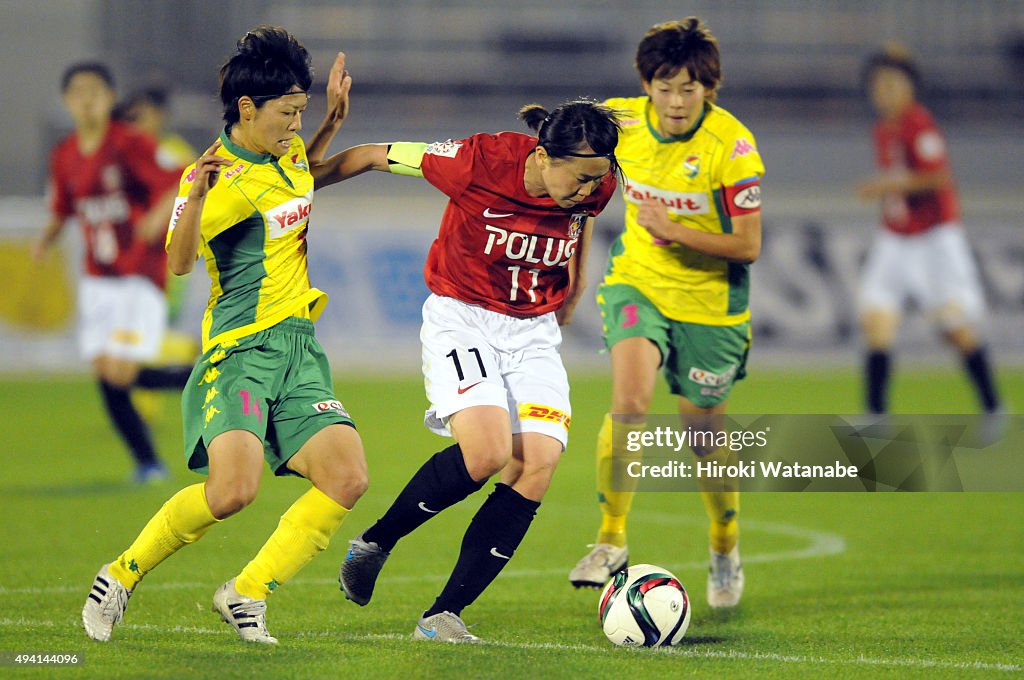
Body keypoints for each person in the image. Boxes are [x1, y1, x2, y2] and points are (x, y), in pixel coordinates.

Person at [81, 26, 368, 645]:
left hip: (299, 351)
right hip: (240, 354)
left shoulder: (284, 152)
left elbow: (299, 179)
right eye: (288, 113)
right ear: (247, 109)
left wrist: (331, 129)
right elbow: (180, 260)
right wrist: (190, 196)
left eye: (301, 111)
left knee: (347, 477)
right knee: (232, 491)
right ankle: (120, 576)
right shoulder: (222, 180)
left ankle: (246, 593)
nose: (295, 123)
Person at [314, 100, 621, 642]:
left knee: (538, 463)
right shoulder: (477, 160)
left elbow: (584, 217)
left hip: (533, 333)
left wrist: (573, 288)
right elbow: (370, 155)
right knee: (486, 453)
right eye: (580, 177)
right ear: (545, 155)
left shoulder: (595, 184)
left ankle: (442, 615)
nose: (589, 189)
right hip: (464, 319)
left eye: (599, 178)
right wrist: (297, 191)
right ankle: (375, 543)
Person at [567, 18, 764, 610]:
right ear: (646, 84)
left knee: (703, 434)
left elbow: (750, 245)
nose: (676, 102)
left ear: (709, 88)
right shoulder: (620, 121)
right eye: (664, 86)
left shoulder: (733, 149)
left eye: (689, 89)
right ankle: (610, 540)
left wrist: (673, 228)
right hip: (638, 285)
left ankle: (725, 545)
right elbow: (559, 144)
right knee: (629, 402)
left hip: (711, 305)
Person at [34, 62, 192, 484]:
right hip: (98, 278)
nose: (86, 99)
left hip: (138, 273)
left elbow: (178, 179)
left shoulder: (128, 143)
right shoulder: (65, 154)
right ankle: (148, 462)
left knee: (120, 372)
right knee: (106, 373)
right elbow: (63, 209)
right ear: (68, 101)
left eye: (95, 91)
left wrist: (158, 216)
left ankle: (208, 375)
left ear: (108, 97)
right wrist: (44, 242)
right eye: (78, 92)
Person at [856, 45, 1001, 417]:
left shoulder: (918, 123)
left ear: (908, 88)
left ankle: (993, 407)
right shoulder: (883, 129)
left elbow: (937, 176)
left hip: (933, 239)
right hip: (896, 239)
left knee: (955, 330)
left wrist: (886, 187)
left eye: (890, 83)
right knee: (876, 320)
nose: (882, 91)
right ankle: (875, 417)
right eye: (878, 84)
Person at [118, 85, 201, 423]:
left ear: (158, 114)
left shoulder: (171, 152)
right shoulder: (130, 151)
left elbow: (190, 196)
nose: (135, 121)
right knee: (135, 333)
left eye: (141, 114)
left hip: (165, 258)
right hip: (133, 257)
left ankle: (190, 354)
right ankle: (144, 409)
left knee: (146, 331)